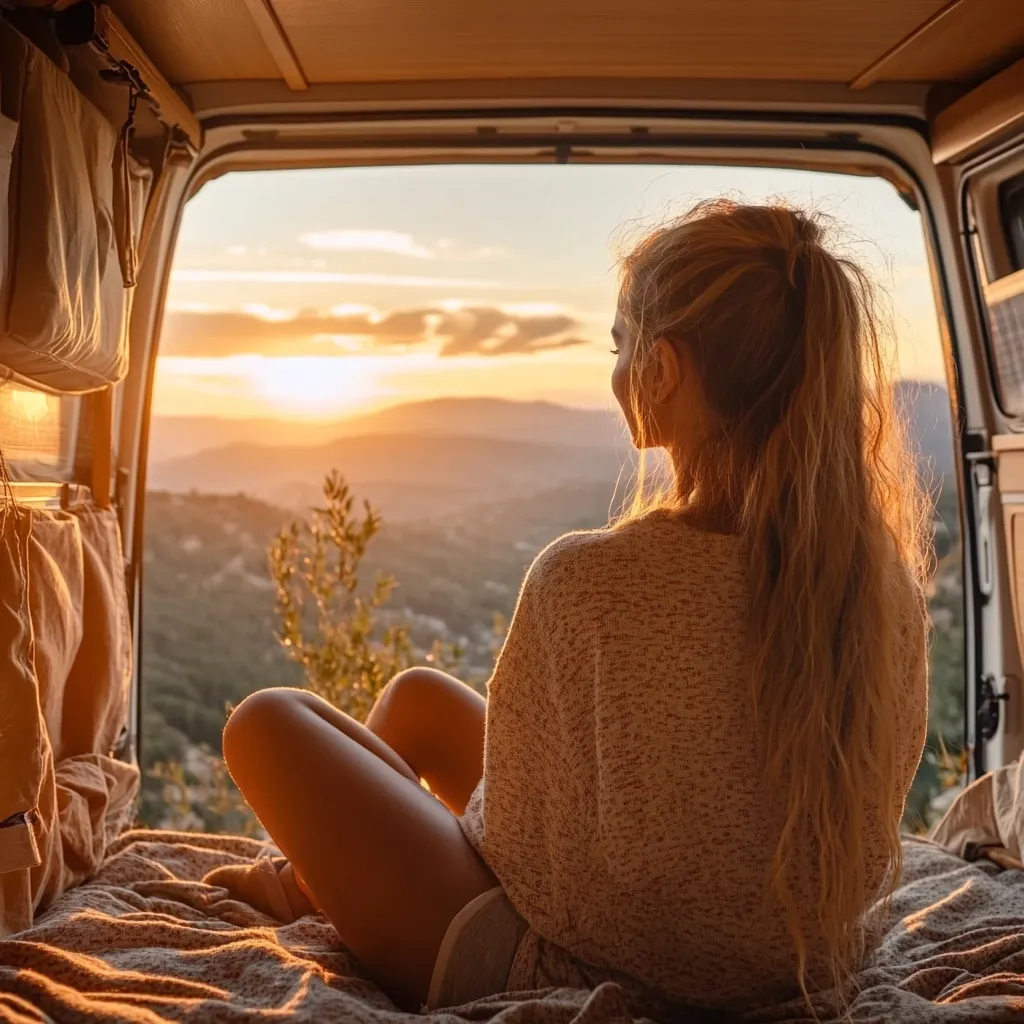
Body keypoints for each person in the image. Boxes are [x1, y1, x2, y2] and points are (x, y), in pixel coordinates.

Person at [217, 200, 930, 1015]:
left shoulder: (586, 580)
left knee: (264, 724)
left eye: (620, 347)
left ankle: (309, 882)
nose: (617, 370)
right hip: (796, 966)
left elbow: (515, 853)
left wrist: (397, 848)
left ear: (662, 370)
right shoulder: (879, 592)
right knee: (417, 698)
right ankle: (302, 880)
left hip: (573, 964)